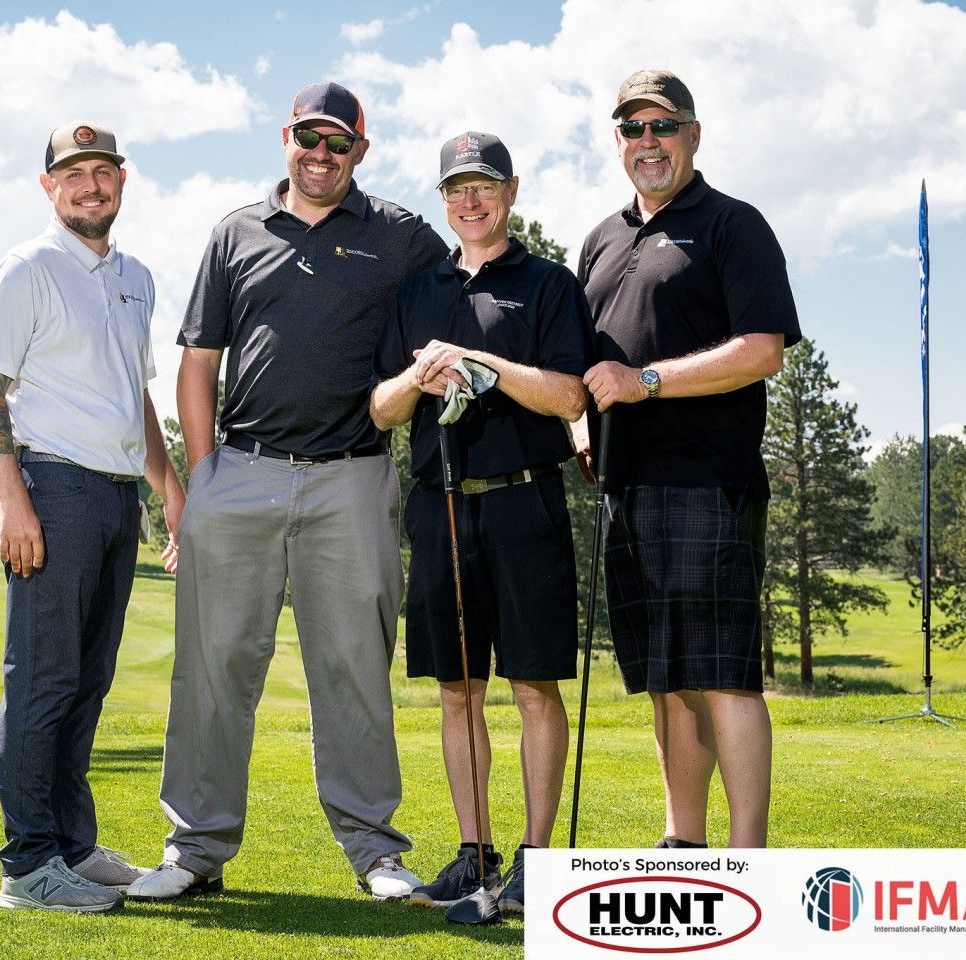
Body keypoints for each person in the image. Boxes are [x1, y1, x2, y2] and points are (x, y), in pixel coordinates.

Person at [128, 82, 450, 902]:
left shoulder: (402, 236)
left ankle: (375, 852)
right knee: (212, 670)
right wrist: (203, 476)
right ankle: (195, 850)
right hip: (241, 473)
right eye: (309, 137)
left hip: (353, 476)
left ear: (360, 152)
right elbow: (199, 362)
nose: (321, 154)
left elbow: (466, 300)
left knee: (354, 671)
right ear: (286, 138)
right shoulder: (235, 232)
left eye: (338, 143)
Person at [0, 122, 184, 911]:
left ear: (121, 179)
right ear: (48, 186)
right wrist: (13, 501)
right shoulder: (28, 268)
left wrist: (169, 490)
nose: (90, 186)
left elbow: (134, 394)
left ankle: (71, 847)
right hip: (52, 489)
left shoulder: (136, 277)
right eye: (73, 174)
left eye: (102, 172)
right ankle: (27, 868)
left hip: (116, 497)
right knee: (43, 680)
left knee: (86, 683)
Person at [574, 70, 801, 849]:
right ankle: (683, 841)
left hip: (708, 481)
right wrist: (579, 426)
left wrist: (643, 382)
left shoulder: (733, 225)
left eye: (662, 126)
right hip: (626, 485)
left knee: (721, 675)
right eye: (631, 128)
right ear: (617, 141)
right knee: (664, 678)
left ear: (692, 135)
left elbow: (762, 351)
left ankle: (748, 858)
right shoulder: (600, 240)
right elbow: (585, 364)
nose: (647, 142)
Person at [371, 132, 592, 914]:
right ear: (442, 199)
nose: (470, 201)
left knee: (532, 686)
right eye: (456, 189)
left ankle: (537, 860)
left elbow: (568, 396)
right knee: (457, 692)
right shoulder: (417, 290)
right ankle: (474, 855)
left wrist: (484, 365)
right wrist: (417, 376)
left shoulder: (547, 283)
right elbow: (381, 409)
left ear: (511, 191)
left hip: (524, 501)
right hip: (441, 505)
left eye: (484, 186)